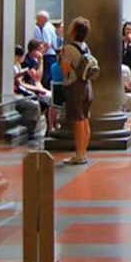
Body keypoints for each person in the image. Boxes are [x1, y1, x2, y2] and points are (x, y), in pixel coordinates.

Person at [57, 16, 95, 166]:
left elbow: (65, 70)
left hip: (74, 85)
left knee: (77, 121)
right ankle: (83, 152)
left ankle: (78, 154)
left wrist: (61, 59)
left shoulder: (68, 49)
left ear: (73, 30)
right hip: (86, 85)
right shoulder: (85, 47)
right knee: (85, 119)